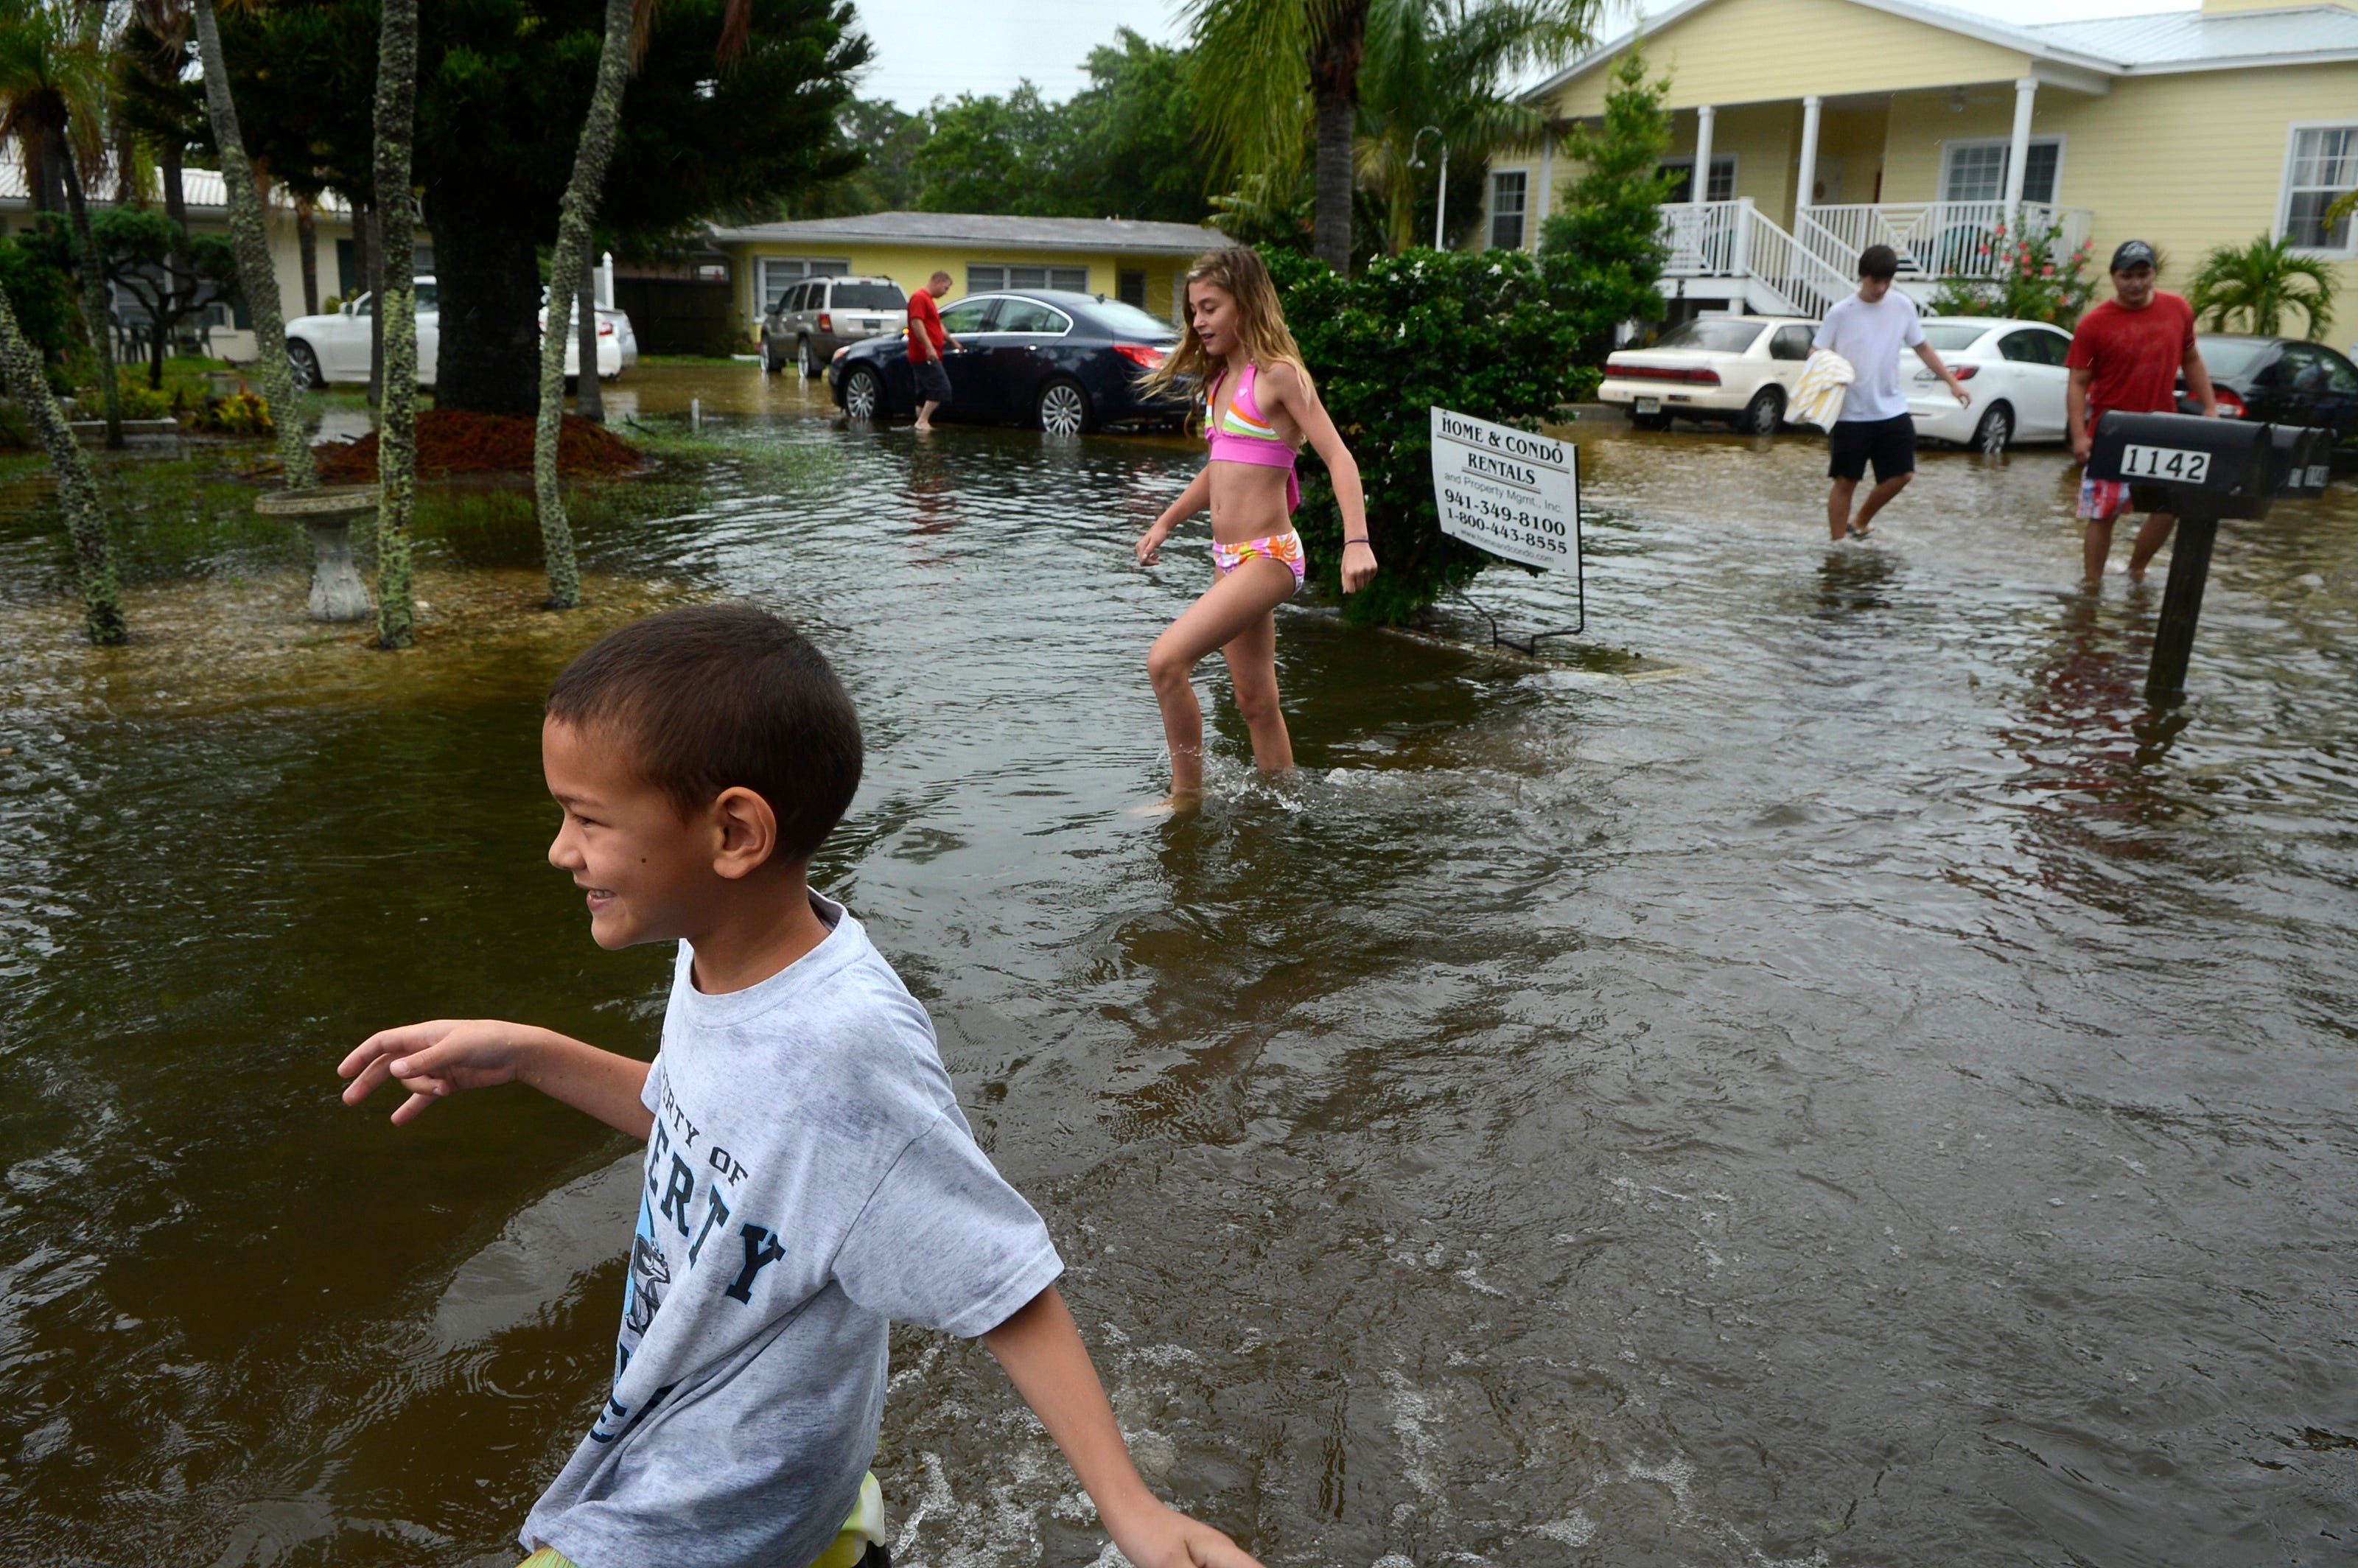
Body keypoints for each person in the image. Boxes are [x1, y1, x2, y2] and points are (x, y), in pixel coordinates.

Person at [337, 605, 1260, 1568]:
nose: (562, 852)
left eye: (587, 819)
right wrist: (527, 1054)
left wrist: (1132, 1509)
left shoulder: (844, 1044)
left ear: (733, 831)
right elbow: (709, 1127)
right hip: (760, 1482)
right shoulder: (723, 953)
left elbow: (999, 1276)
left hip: (698, 1517)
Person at [1131, 247, 1376, 804]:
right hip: (1229, 561)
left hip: (1270, 557)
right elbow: (1220, 472)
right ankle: (1285, 802)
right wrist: (1166, 521)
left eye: (1211, 307)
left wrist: (1355, 540)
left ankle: (1184, 797)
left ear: (1245, 304)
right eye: (1194, 310)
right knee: (1255, 702)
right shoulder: (1221, 384)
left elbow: (1339, 458)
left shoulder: (1278, 377)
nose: (1199, 322)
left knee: (1166, 661)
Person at [2067, 239, 2219, 587]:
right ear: (2113, 277)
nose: (2135, 283)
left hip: (2162, 426)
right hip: (2112, 430)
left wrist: (2210, 407)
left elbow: (2191, 358)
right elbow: (2079, 380)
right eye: (2126, 276)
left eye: (2143, 274)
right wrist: (2080, 435)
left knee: (2169, 507)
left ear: (2153, 274)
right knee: (2103, 512)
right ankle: (2092, 584)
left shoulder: (2178, 309)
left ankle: (2136, 570)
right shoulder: (2094, 325)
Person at [1813, 243, 1970, 541]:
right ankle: (1836, 547)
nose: (1881, 288)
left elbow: (1922, 346)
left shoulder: (1902, 307)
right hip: (1850, 413)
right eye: (1876, 281)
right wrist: (1827, 373)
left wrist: (1952, 382)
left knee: (1903, 474)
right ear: (1862, 276)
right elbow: (1815, 351)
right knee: (1846, 480)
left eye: (1887, 281)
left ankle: (1859, 521)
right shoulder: (1840, 313)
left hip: (1892, 408)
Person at [907, 270, 959, 433]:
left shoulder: (928, 300)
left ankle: (920, 425)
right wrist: (929, 347)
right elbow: (917, 323)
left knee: (924, 391)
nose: (946, 293)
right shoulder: (919, 298)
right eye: (946, 288)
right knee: (941, 388)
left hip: (927, 353)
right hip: (924, 354)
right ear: (937, 281)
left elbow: (936, 325)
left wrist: (951, 340)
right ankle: (922, 421)